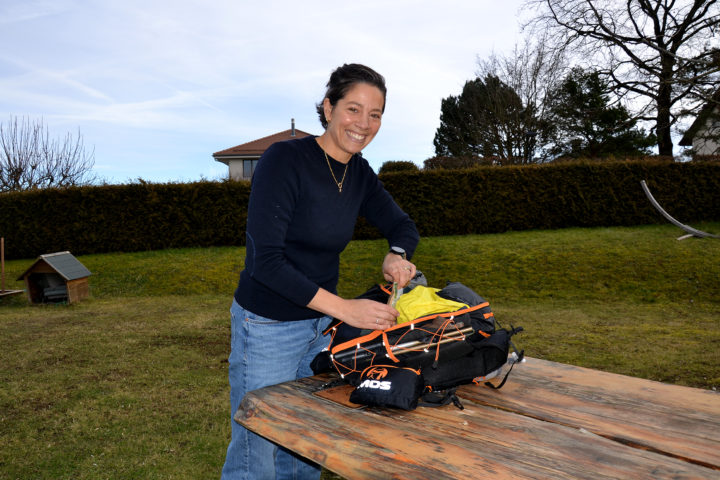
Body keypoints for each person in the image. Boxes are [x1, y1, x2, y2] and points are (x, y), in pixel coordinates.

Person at [221, 63, 420, 480]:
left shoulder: (359, 173)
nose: (363, 124)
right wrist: (347, 310)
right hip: (267, 327)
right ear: (328, 108)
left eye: (375, 114)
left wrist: (395, 254)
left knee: (309, 442)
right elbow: (267, 263)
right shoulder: (285, 160)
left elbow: (402, 226)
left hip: (319, 327)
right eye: (353, 108)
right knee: (256, 448)